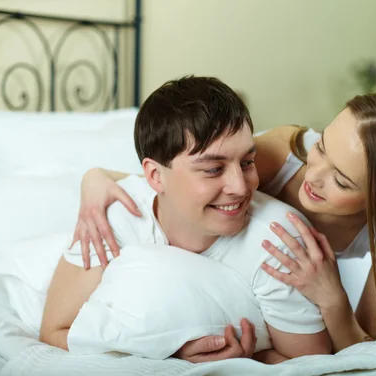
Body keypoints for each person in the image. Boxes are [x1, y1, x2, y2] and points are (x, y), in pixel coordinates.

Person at [76, 90, 376, 359]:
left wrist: (331, 298)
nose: (314, 177)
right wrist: (95, 177)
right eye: (322, 147)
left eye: (342, 182)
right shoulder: (281, 157)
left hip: (295, 304)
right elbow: (181, 182)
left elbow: (360, 349)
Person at [39, 76, 332, 363]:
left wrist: (251, 357)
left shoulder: (278, 242)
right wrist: (170, 352)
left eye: (246, 162)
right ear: (155, 176)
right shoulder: (111, 218)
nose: (241, 187)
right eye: (213, 169)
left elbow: (310, 364)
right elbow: (54, 332)